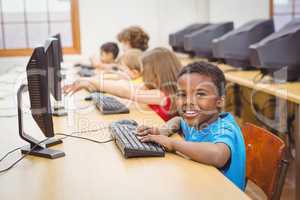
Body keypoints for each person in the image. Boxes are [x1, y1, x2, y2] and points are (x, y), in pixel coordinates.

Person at [136, 62, 246, 190]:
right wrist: (162, 131)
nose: (188, 101)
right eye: (182, 94)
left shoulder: (225, 128)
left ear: (220, 101)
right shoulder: (197, 121)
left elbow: (218, 155)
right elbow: (178, 120)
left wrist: (172, 143)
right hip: (198, 185)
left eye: (200, 94)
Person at [63, 47, 182, 121]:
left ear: (157, 72)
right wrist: (87, 81)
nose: (143, 73)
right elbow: (122, 84)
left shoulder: (163, 95)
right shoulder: (152, 86)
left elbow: (125, 91)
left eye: (146, 70)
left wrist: (89, 80)